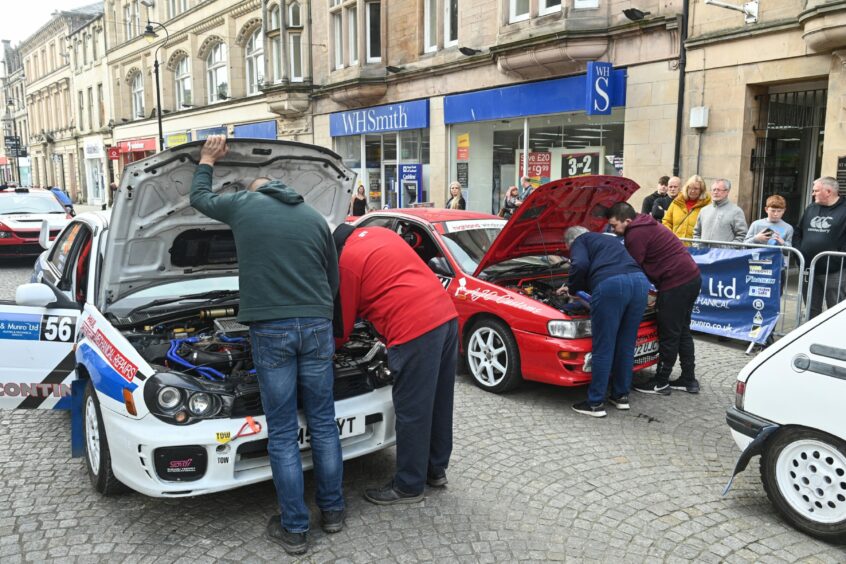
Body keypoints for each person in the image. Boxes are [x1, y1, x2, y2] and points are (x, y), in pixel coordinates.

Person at [189, 136, 344, 556]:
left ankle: (295, 529)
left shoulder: (243, 205)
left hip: (272, 330)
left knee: (281, 431)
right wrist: (318, 314)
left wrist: (206, 160)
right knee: (324, 422)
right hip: (315, 325)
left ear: (253, 189)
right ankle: (333, 512)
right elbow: (333, 279)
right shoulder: (314, 218)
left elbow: (199, 197)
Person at [333, 224, 459, 505]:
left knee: (412, 409)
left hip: (413, 327)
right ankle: (435, 470)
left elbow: (341, 328)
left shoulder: (346, 262)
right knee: (439, 401)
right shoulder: (381, 233)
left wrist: (326, 350)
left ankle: (408, 485)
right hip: (445, 315)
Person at [606, 202, 703, 395]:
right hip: (691, 277)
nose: (612, 230)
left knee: (669, 333)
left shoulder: (635, 234)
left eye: (615, 226)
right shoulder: (644, 223)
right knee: (682, 330)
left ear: (627, 221)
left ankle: (661, 381)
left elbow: (632, 269)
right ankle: (688, 379)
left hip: (675, 283)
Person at [558, 227, 651, 417]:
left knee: (604, 346)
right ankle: (620, 396)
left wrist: (573, 290)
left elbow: (580, 265)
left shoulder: (580, 240)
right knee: (626, 343)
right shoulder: (607, 240)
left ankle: (595, 403)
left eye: (569, 249)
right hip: (640, 283)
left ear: (570, 242)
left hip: (612, 286)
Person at [794, 176, 846, 319]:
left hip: (834, 271)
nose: (812, 193)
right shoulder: (811, 208)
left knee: (835, 310)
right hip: (809, 268)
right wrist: (799, 255)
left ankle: (835, 340)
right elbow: (798, 232)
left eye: (816, 190)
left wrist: (837, 260)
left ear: (828, 191)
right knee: (811, 308)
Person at [693, 178, 748, 243]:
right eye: (714, 190)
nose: (715, 192)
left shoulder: (736, 211)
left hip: (724, 253)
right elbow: (696, 233)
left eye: (719, 190)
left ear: (727, 191)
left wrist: (729, 249)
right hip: (704, 252)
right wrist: (698, 246)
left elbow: (742, 235)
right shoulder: (704, 210)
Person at [662, 174, 710, 240]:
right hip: (676, 245)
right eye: (690, 188)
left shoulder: (708, 205)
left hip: (696, 247)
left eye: (696, 188)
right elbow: (666, 221)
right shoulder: (677, 202)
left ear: (701, 190)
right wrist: (670, 235)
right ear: (686, 188)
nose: (692, 191)